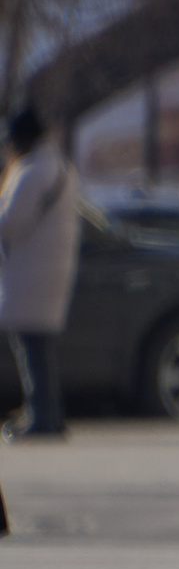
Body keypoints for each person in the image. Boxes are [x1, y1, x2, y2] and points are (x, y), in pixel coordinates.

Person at [0, 108, 83, 441]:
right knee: (38, 346)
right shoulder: (59, 167)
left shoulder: (31, 172)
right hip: (47, 269)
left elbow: (11, 223)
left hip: (30, 273)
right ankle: (48, 414)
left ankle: (41, 417)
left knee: (30, 346)